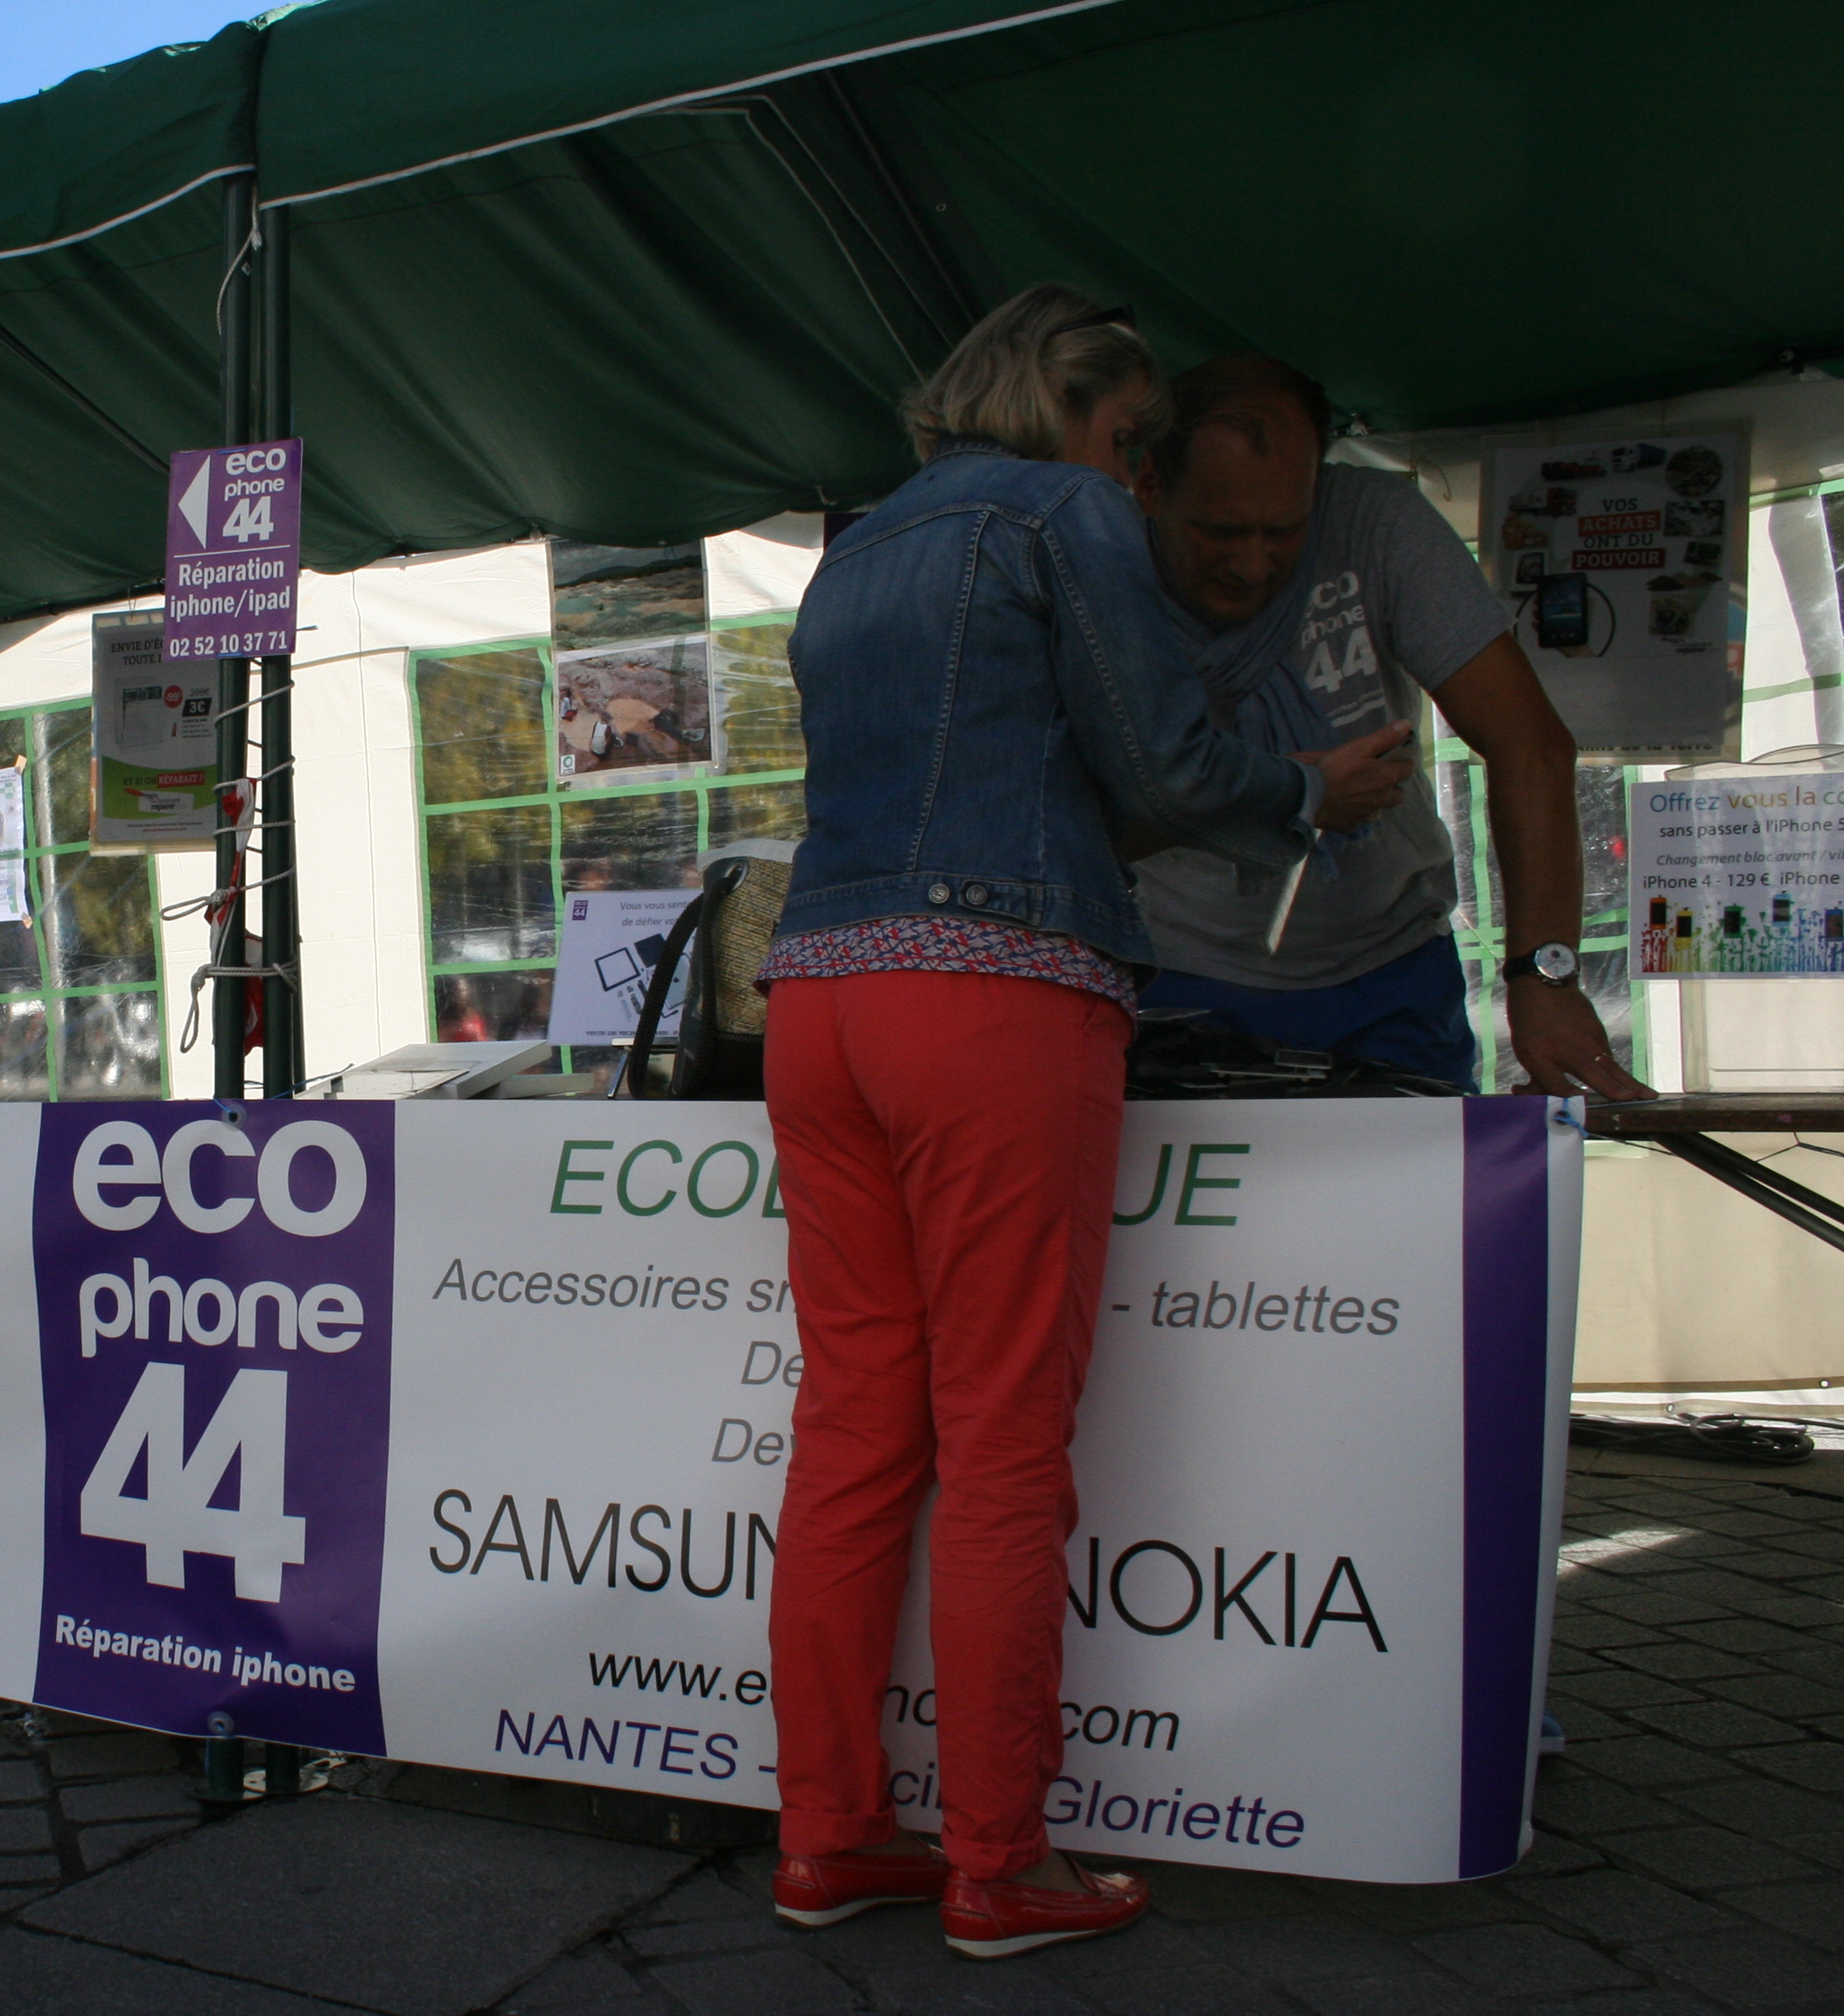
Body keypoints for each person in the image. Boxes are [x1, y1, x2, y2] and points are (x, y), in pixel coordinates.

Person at [759, 285, 1413, 1959]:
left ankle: (829, 1831)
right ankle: (998, 1859)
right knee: (998, 1439)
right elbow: (1167, 757)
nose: (1136, 477)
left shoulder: (856, 548)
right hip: (995, 994)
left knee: (848, 1433)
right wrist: (1307, 792)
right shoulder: (1061, 510)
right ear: (1067, 404)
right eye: (1130, 439)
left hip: (822, 992)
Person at [1128, 355, 1649, 1100]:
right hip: (1173, 974)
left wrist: (1546, 976)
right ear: (1148, 484)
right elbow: (1065, 809)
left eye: (1286, 530)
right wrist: (1290, 796)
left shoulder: (1376, 520)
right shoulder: (1091, 560)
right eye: (1221, 531)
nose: (1254, 563)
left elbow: (1530, 744)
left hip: (1389, 970)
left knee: (1412, 1215)